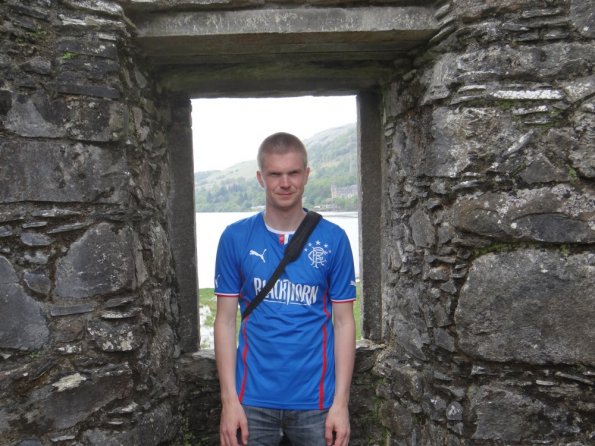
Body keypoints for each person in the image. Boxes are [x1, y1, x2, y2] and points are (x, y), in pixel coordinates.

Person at [214, 132, 357, 446]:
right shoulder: (235, 238)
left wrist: (341, 404)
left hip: (317, 401)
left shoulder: (334, 239)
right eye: (275, 174)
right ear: (260, 178)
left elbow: (345, 322)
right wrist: (229, 402)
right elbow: (224, 321)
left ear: (306, 175)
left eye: (293, 173)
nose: (285, 182)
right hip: (250, 398)